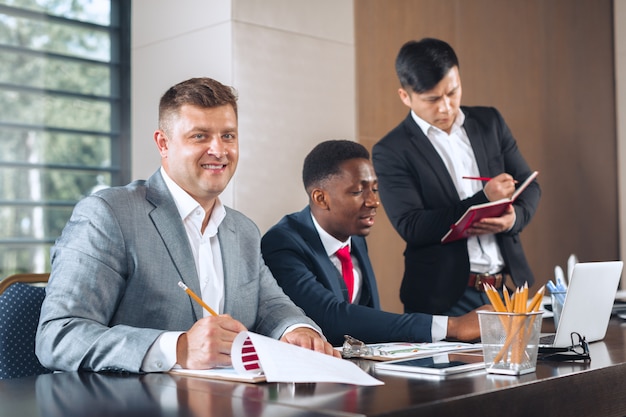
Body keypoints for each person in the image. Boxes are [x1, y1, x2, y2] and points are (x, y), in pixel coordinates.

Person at [36, 77, 338, 373]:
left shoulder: (244, 230)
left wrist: (298, 330)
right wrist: (178, 348)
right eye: (200, 136)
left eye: (228, 136)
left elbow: (272, 306)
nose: (219, 150)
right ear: (163, 143)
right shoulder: (109, 214)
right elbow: (59, 336)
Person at [372, 38, 541, 316]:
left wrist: (514, 219)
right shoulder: (391, 150)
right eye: (433, 99)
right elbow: (411, 225)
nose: (446, 107)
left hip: (504, 290)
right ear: (405, 96)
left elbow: (529, 183)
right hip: (441, 297)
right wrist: (483, 199)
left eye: (453, 92)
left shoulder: (489, 122)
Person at [261, 140, 484, 346]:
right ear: (321, 198)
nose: (374, 201)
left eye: (375, 189)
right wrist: (452, 326)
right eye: (358, 191)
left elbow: (366, 316)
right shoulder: (282, 243)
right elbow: (329, 317)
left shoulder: (355, 237)